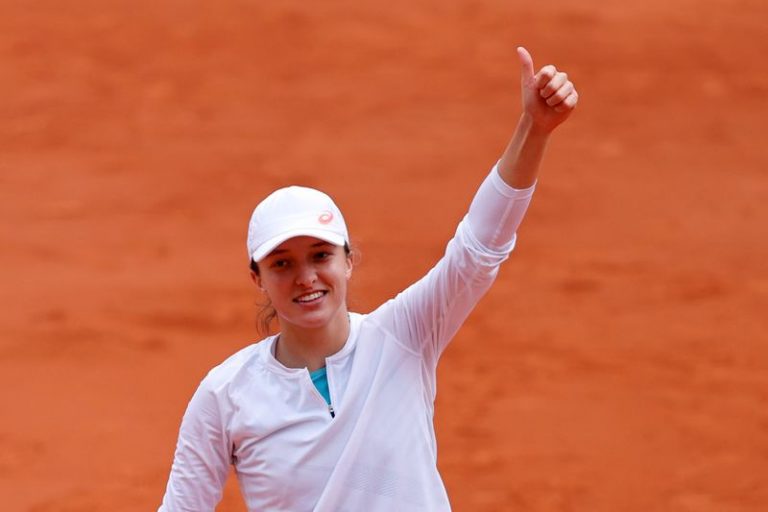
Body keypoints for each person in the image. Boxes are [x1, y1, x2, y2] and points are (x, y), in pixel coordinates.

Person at [159, 46, 578, 511]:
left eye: (320, 256)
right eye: (282, 264)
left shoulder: (404, 336)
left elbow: (478, 251)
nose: (305, 277)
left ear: (348, 261)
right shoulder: (225, 394)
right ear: (256, 278)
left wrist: (534, 130)